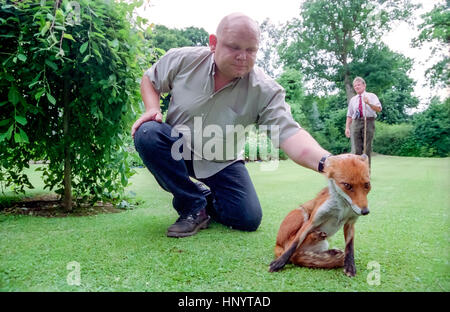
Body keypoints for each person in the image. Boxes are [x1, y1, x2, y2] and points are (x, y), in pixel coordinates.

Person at [131, 13, 331, 238]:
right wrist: (152, 109)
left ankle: (204, 200)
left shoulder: (265, 90)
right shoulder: (183, 59)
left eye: (251, 50)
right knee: (148, 132)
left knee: (247, 218)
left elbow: (290, 135)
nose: (243, 57)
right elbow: (150, 79)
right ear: (213, 43)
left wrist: (329, 163)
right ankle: (192, 205)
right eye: (234, 47)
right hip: (178, 149)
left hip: (221, 160)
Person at [345, 77, 382, 167]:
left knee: (366, 148)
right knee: (357, 149)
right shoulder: (353, 100)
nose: (357, 87)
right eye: (355, 86)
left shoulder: (371, 96)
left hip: (368, 121)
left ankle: (366, 172)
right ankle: (357, 171)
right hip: (356, 122)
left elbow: (379, 109)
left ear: (364, 85)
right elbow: (349, 115)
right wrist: (347, 128)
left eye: (358, 85)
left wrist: (369, 103)